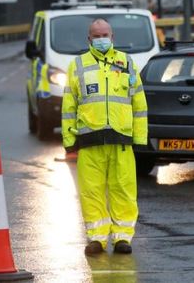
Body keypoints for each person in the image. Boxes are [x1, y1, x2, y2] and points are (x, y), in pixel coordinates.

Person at [61, 19, 148, 256]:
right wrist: (69, 140)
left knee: (123, 189)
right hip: (90, 140)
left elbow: (138, 103)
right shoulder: (77, 65)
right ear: (89, 39)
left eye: (104, 34)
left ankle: (122, 238)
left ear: (112, 36)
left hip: (121, 139)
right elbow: (69, 105)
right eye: (96, 35)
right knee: (92, 191)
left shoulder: (126, 62)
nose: (101, 38)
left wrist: (139, 138)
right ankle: (97, 239)